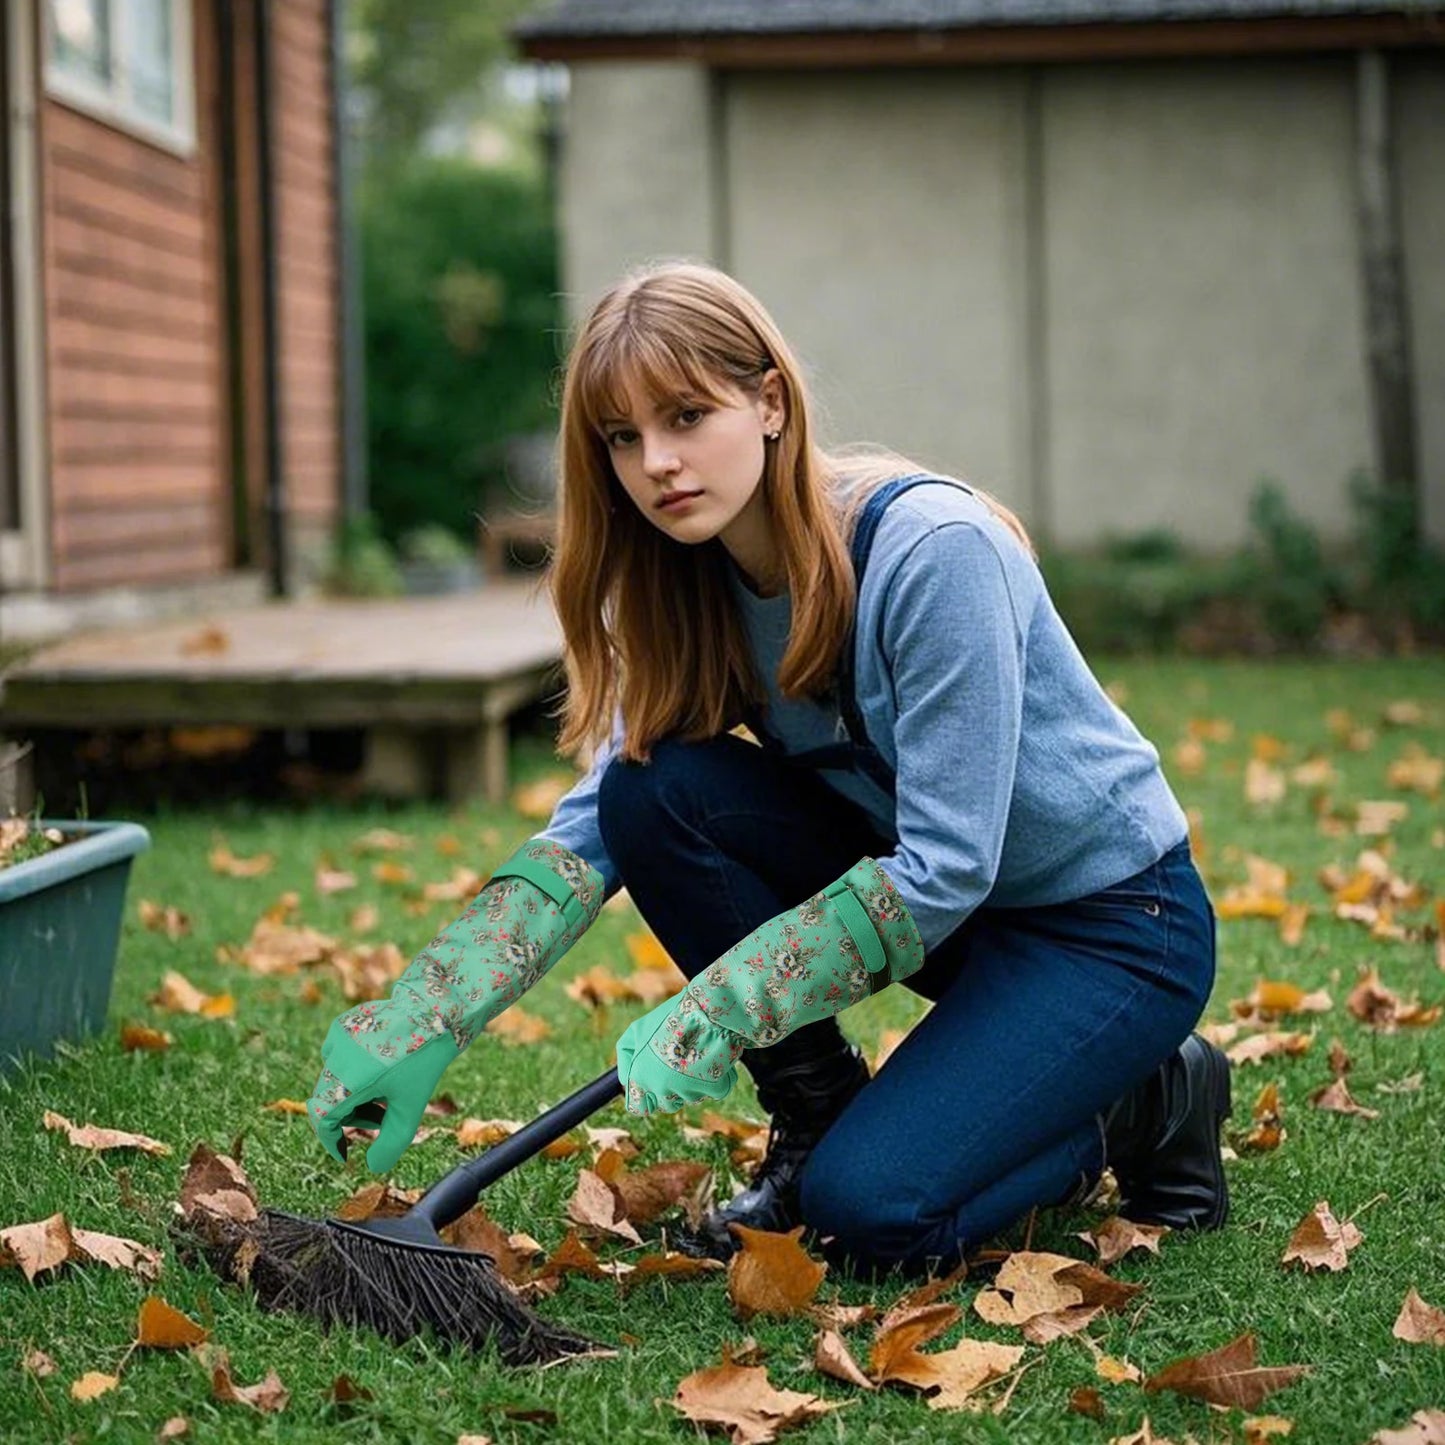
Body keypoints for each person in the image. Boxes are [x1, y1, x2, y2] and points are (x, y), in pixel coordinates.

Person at [307, 259, 1230, 1281]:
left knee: (867, 1218)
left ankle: (1141, 1098)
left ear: (770, 402)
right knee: (653, 787)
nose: (657, 462)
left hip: (1106, 928)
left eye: (687, 415)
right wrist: (428, 1009)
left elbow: (947, 863)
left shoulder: (931, 551)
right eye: (623, 436)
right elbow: (598, 820)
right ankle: (817, 1116)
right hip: (952, 915)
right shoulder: (681, 576)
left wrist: (722, 1004)